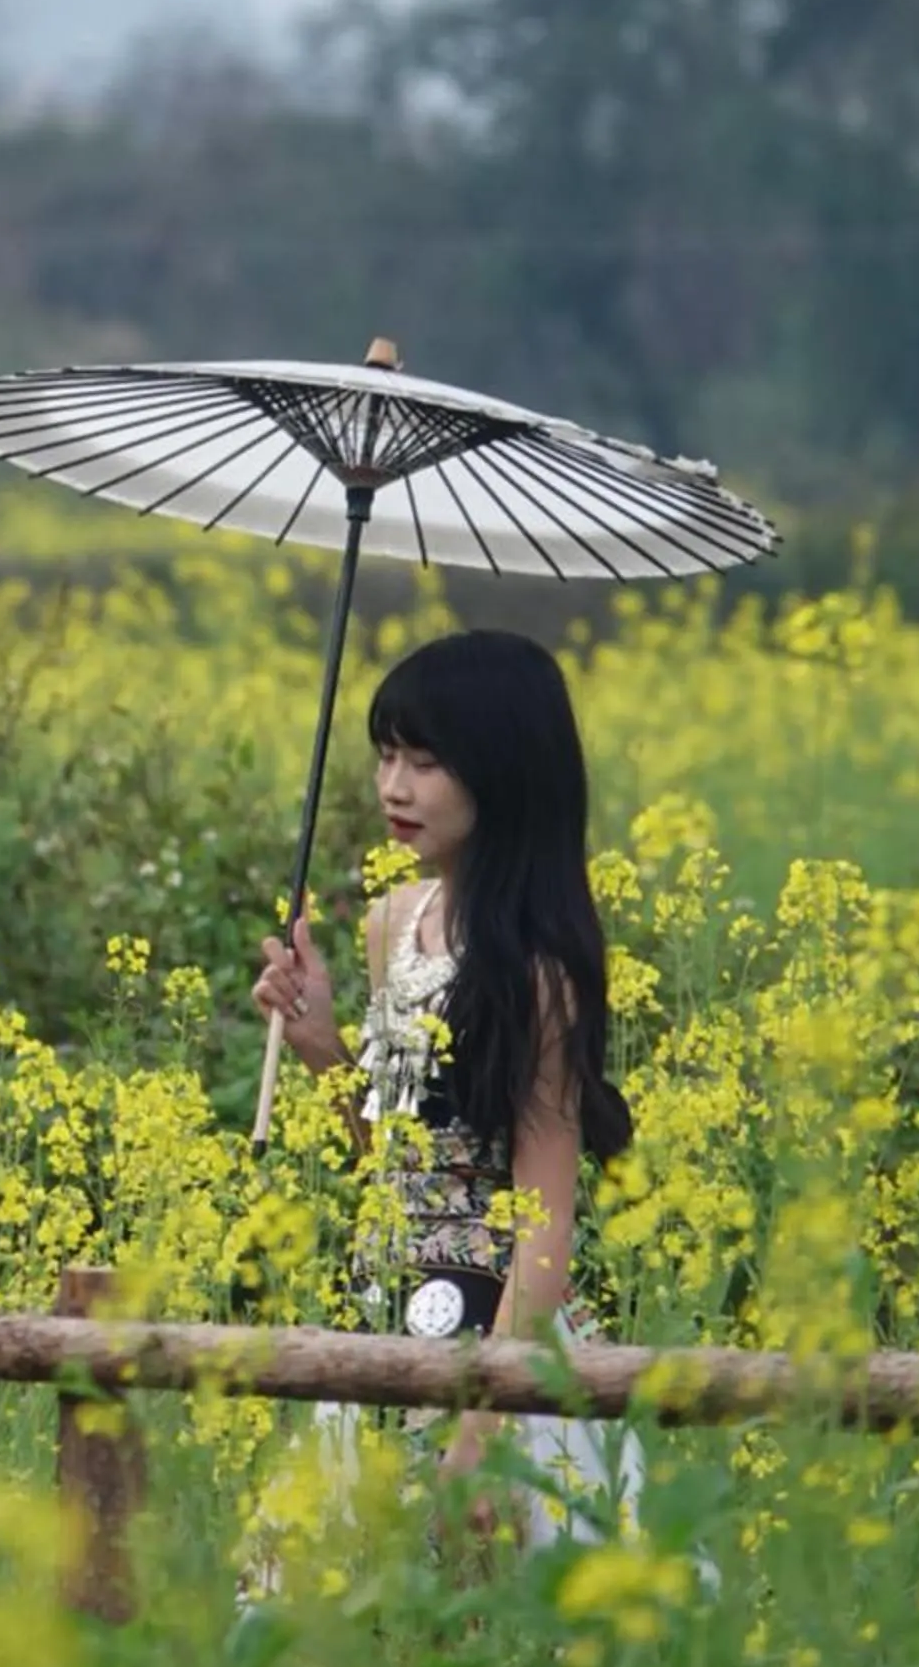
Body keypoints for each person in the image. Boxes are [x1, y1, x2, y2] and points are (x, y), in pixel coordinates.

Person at [250, 626, 639, 1547]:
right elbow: (397, 1156)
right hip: (384, 1301)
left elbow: (545, 1211)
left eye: (426, 763)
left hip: (495, 1325)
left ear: (504, 773)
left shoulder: (542, 970)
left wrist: (486, 1419)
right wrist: (320, 1046)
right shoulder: (393, 922)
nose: (394, 787)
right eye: (387, 755)